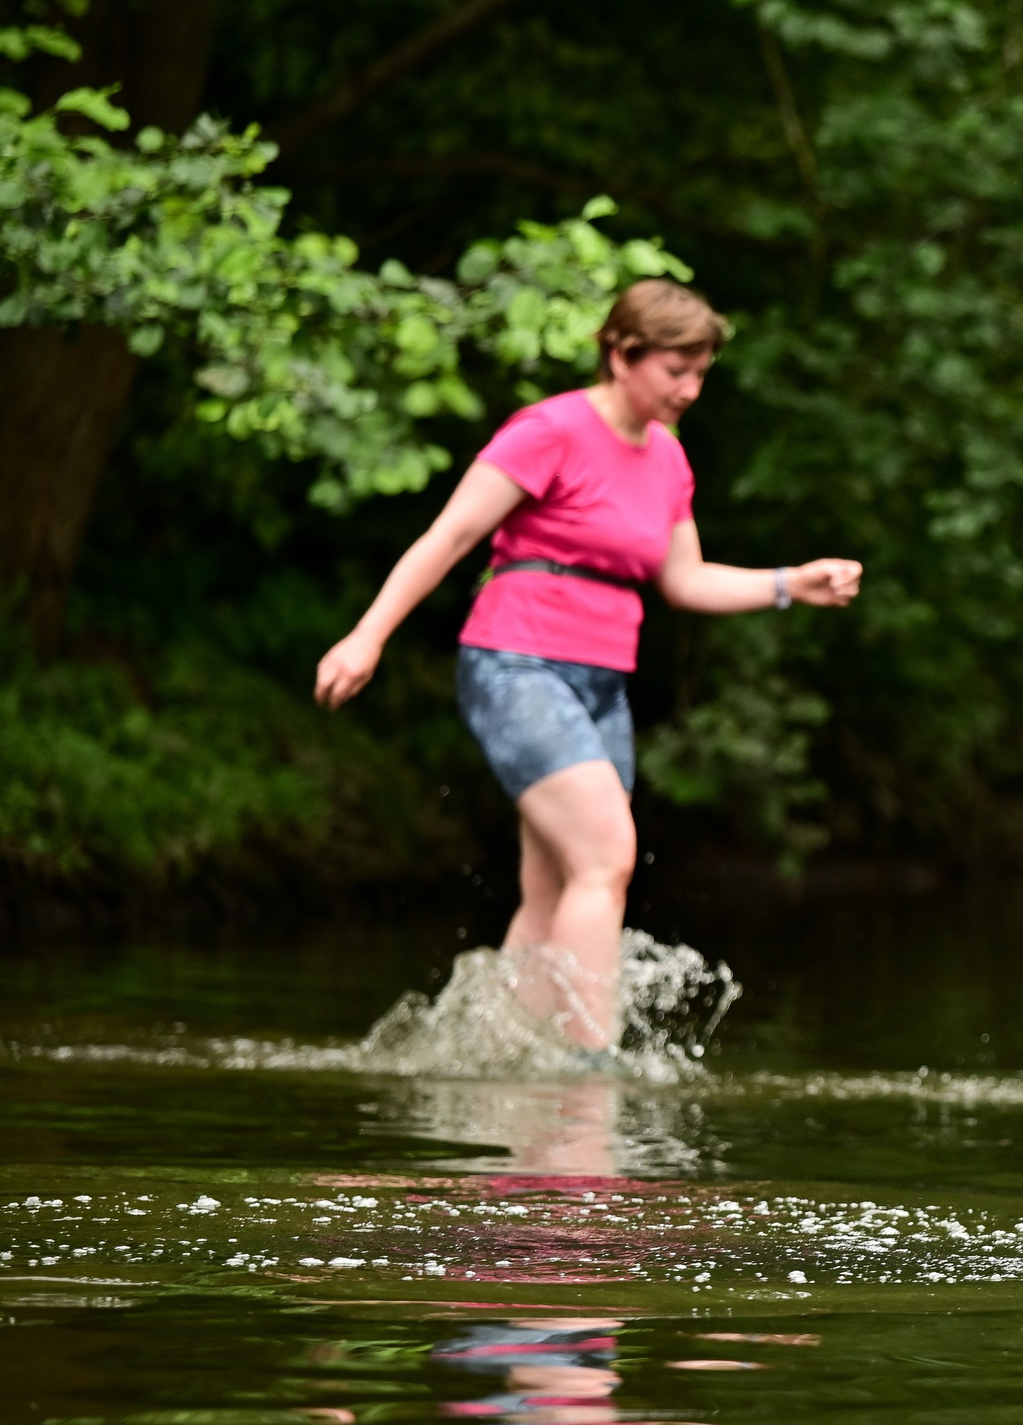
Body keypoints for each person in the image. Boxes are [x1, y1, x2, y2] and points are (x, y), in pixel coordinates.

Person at [314, 280, 861, 1058]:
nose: (690, 389)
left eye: (701, 372)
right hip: (518, 664)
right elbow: (449, 537)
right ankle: (583, 1071)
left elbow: (685, 579)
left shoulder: (667, 458)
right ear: (620, 352)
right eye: (676, 369)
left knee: (553, 890)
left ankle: (491, 1060)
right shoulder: (550, 430)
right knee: (607, 856)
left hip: (602, 685)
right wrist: (367, 636)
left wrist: (789, 583)